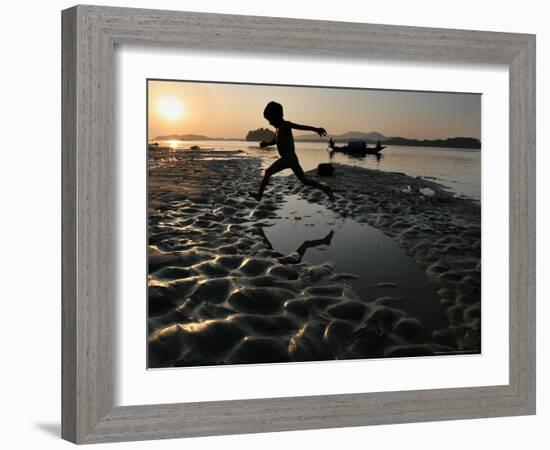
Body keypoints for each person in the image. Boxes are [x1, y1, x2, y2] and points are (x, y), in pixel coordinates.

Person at [249, 101, 335, 202]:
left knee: (268, 172)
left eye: (270, 119)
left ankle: (259, 195)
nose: (270, 123)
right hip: (292, 158)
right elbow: (275, 141)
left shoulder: (286, 125)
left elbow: (301, 127)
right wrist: (266, 144)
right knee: (305, 180)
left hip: (287, 158)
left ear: (278, 116)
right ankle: (326, 189)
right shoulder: (277, 129)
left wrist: (316, 129)